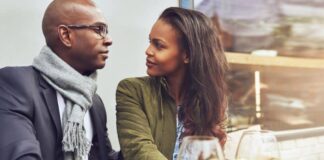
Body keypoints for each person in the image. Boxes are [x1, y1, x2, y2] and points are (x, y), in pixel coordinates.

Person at [0, 0, 121, 159]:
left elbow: (103, 157)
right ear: (66, 35)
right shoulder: (16, 84)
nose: (108, 40)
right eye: (99, 29)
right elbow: (20, 153)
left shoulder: (93, 101)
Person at [116, 7, 228, 160]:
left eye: (159, 45)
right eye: (150, 42)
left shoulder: (212, 101)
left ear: (187, 54)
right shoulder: (132, 90)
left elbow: (213, 155)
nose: (148, 51)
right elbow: (140, 151)